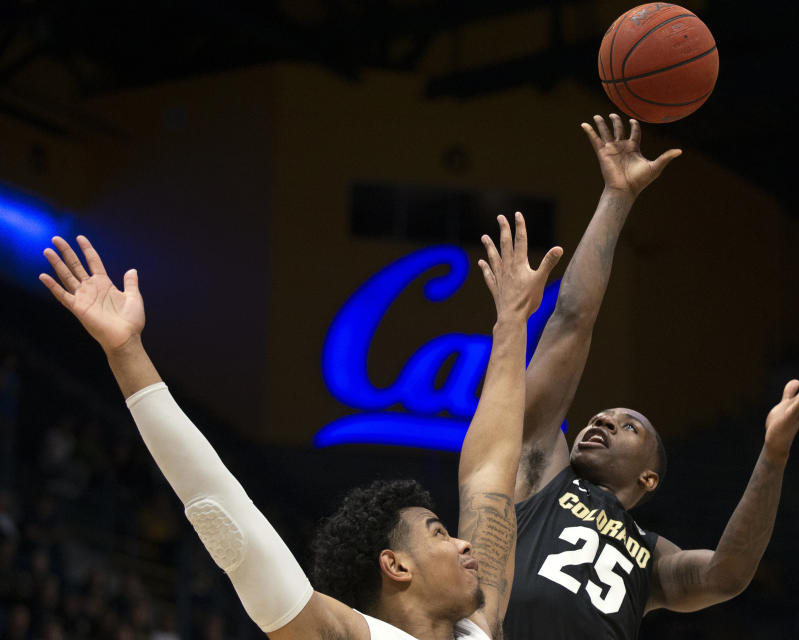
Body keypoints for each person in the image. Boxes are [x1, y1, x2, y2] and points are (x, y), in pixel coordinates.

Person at [39, 213, 561, 640]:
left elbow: (491, 471)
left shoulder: (476, 632)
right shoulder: (344, 637)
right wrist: (127, 352)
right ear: (395, 566)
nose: (464, 543)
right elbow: (223, 512)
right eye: (441, 534)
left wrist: (512, 324)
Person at [502, 114, 799, 639]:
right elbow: (571, 322)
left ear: (649, 478)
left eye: (629, 426)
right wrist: (617, 196)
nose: (603, 419)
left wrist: (774, 454)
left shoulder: (649, 555)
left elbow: (727, 576)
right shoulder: (541, 469)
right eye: (605, 416)